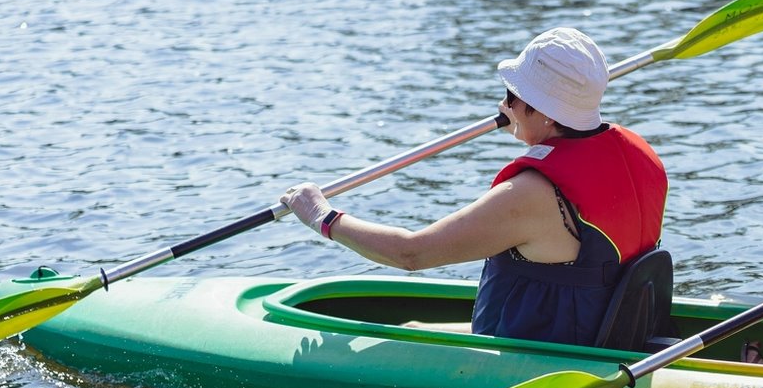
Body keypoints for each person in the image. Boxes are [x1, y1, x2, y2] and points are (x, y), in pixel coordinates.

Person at [281, 27, 668, 347]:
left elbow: (411, 253)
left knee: (399, 340)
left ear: (547, 113)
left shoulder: (532, 195)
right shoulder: (643, 156)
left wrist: (322, 216)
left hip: (547, 357)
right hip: (610, 336)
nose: (505, 105)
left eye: (513, 96)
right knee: (414, 327)